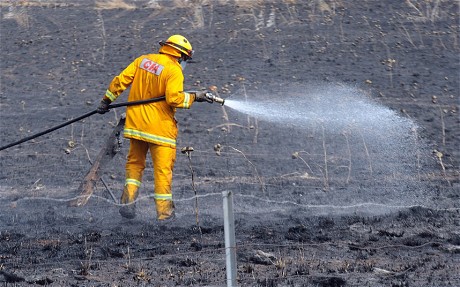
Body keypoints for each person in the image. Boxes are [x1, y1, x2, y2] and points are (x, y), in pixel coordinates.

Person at [96, 34, 212, 221]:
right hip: (160, 131)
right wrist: (194, 97)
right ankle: (165, 214)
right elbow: (174, 98)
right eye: (185, 59)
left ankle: (128, 202)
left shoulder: (143, 60)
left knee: (134, 165)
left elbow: (120, 81)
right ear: (180, 55)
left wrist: (106, 101)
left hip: (136, 126)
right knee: (162, 172)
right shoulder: (174, 70)